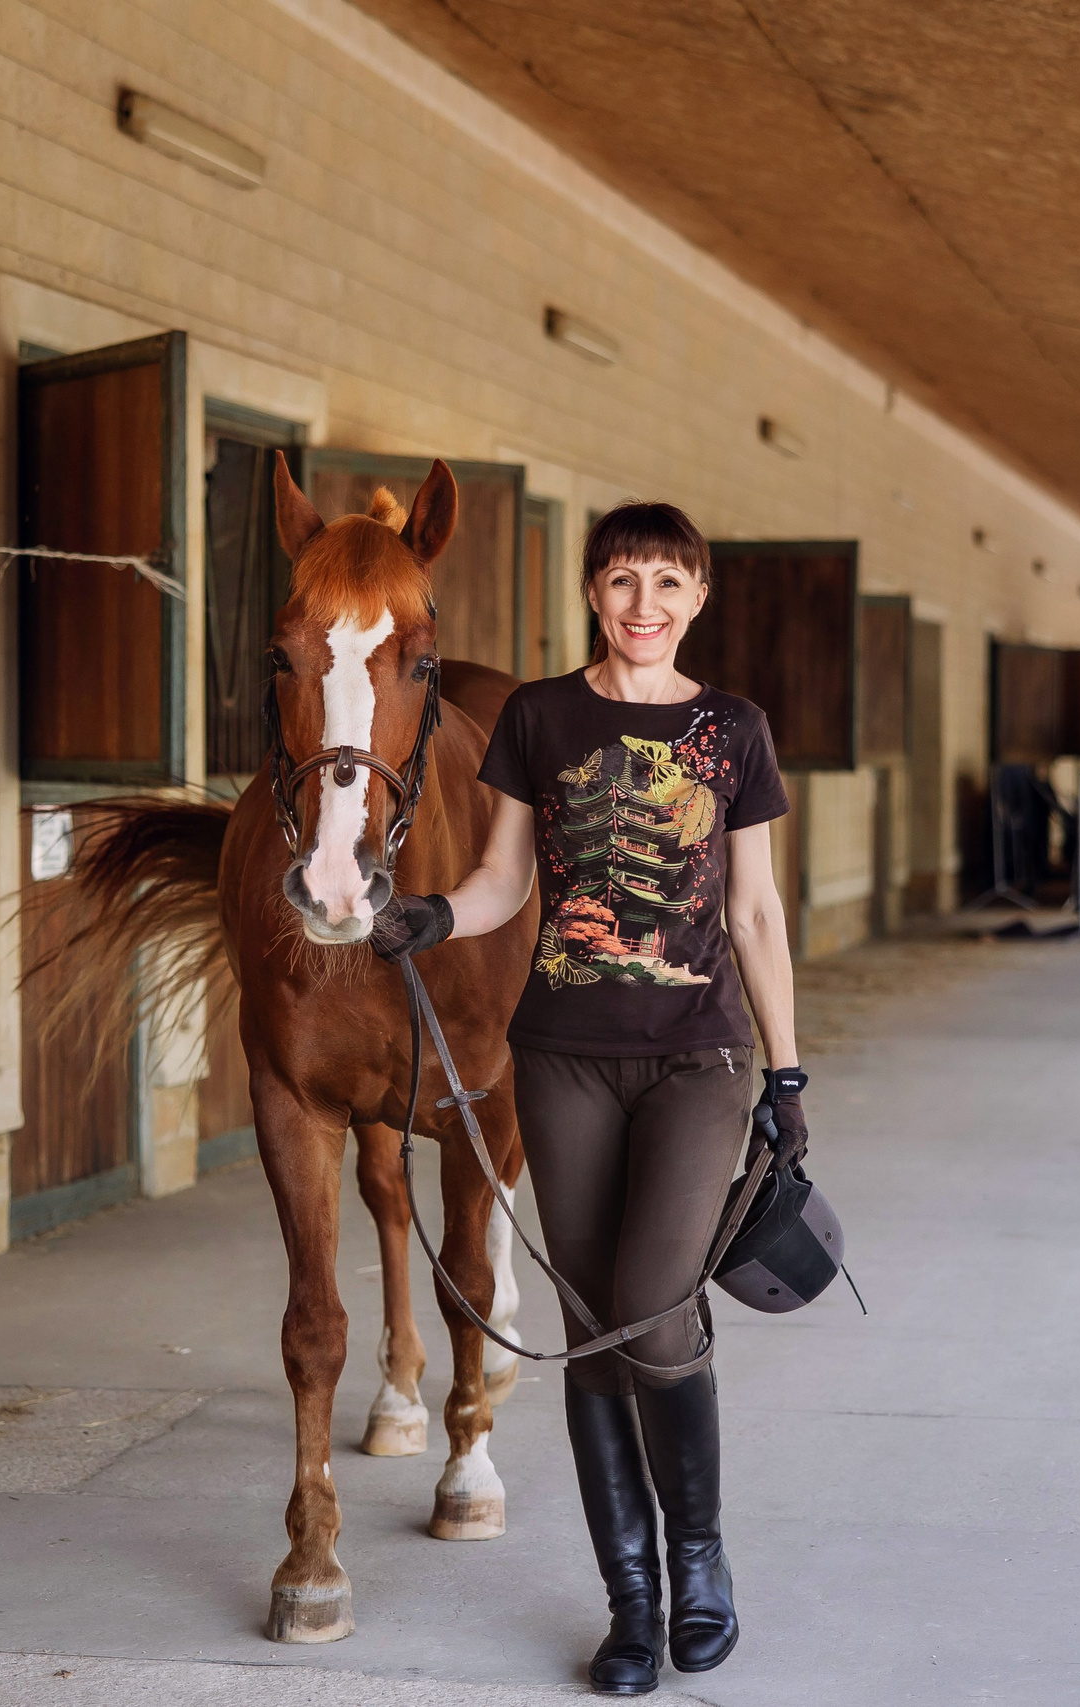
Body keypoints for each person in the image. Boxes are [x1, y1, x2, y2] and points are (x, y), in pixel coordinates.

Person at [370, 502, 807, 1695]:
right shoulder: (541, 717)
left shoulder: (734, 731)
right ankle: (630, 1607)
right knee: (592, 1337)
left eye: (668, 583)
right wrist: (428, 917)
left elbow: (755, 913)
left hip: (697, 1059)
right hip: (560, 1058)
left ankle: (700, 1561)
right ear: (592, 594)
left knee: (654, 1311)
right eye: (623, 581)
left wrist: (787, 1068)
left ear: (698, 598)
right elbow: (505, 877)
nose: (645, 605)